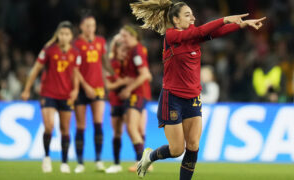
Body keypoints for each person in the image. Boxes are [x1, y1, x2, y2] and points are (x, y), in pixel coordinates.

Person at [130, 0, 266, 179]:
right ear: (176, 20)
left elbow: (215, 33)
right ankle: (150, 156)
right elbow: (203, 30)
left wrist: (241, 25)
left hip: (193, 98)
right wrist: (225, 19)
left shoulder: (194, 37)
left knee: (193, 146)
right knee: (177, 150)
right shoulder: (171, 37)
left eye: (192, 14)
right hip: (172, 99)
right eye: (187, 15)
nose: (193, 17)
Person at [21, 21, 81, 173]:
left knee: (65, 129)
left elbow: (75, 74)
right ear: (57, 35)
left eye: (67, 34)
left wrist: (75, 90)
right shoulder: (49, 50)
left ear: (71, 36)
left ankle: (64, 162)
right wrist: (27, 89)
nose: (64, 37)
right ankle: (47, 157)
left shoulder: (75, 53)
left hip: (66, 95)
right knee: (49, 126)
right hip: (48, 93)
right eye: (61, 34)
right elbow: (36, 69)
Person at [73, 11, 112, 172]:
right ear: (81, 27)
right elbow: (74, 69)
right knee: (81, 126)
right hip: (82, 90)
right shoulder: (76, 44)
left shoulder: (101, 42)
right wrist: (85, 86)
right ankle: (80, 162)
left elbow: (105, 63)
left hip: (98, 89)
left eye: (93, 26)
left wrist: (114, 75)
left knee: (98, 124)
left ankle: (98, 160)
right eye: (88, 26)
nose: (91, 28)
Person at [118, 25, 152, 172]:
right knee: (138, 128)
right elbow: (146, 74)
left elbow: (145, 74)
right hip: (142, 93)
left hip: (137, 93)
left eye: (124, 36)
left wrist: (128, 89)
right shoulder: (134, 51)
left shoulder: (136, 51)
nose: (122, 39)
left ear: (133, 36)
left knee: (131, 127)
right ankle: (145, 162)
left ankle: (142, 162)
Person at [104, 34, 130, 173]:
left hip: (129, 101)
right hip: (115, 101)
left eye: (126, 51)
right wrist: (121, 82)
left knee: (132, 130)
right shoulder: (112, 64)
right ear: (117, 51)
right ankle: (116, 163)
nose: (124, 53)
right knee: (117, 132)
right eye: (122, 51)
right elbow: (108, 85)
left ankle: (141, 161)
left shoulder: (130, 64)